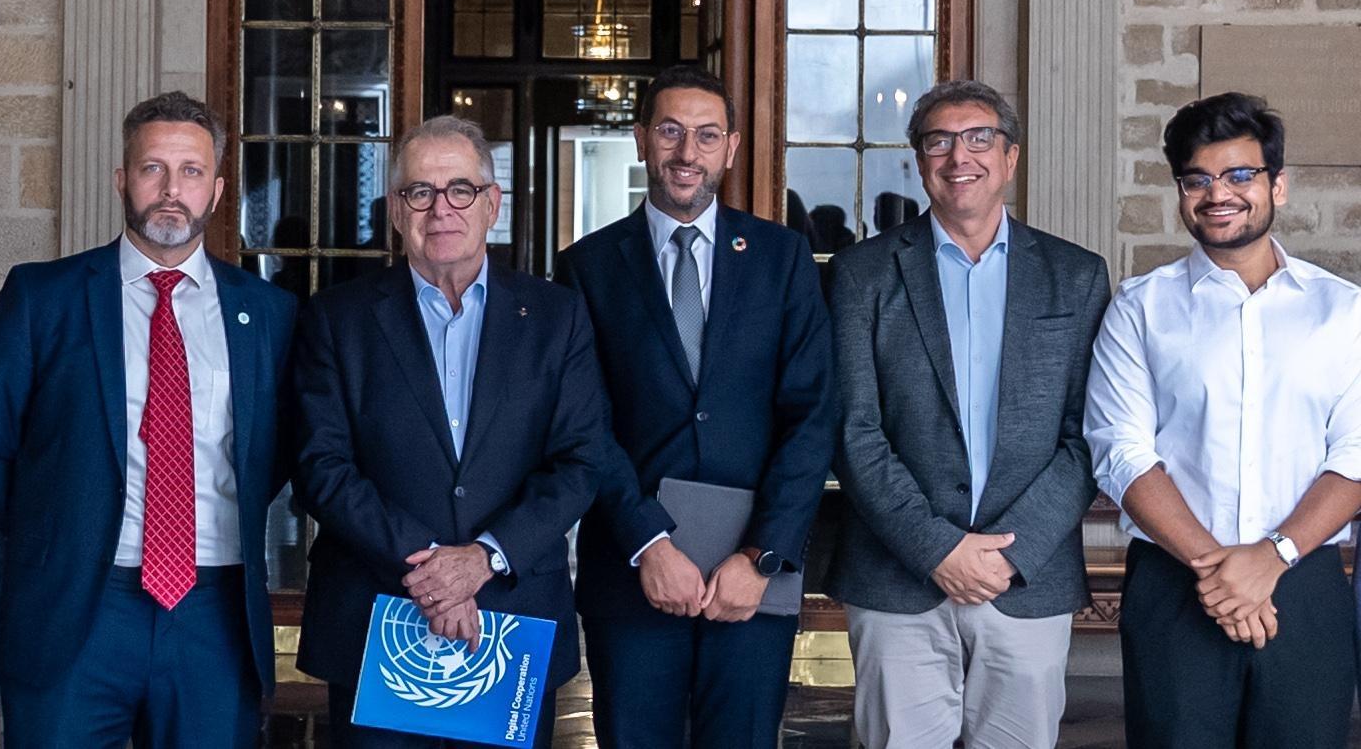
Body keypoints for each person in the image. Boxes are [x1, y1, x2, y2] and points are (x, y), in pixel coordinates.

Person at [292, 114, 608, 748]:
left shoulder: (556, 316)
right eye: (419, 192)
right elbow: (320, 466)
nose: (441, 209)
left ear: (492, 204)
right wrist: (434, 571)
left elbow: (583, 459)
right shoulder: (337, 318)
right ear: (395, 209)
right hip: (375, 620)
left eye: (460, 189)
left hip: (512, 621)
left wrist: (483, 558)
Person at [0, 92, 297, 747]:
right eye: (152, 168)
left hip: (213, 612)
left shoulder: (269, 314)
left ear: (216, 190)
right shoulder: (41, 298)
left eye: (190, 170)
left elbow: (276, 453)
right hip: (77, 606)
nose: (170, 188)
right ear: (121, 179)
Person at [554, 65, 835, 749]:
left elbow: (813, 411)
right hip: (632, 571)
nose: (687, 153)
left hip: (750, 575)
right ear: (642, 137)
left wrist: (763, 553)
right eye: (672, 132)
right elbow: (582, 423)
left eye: (706, 136)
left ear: (731, 148)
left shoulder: (782, 257)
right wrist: (649, 541)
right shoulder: (586, 265)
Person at [827, 79, 1108, 749]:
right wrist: (938, 547)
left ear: (1011, 157)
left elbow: (1089, 434)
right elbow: (853, 430)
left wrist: (1006, 556)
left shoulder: (1077, 275)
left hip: (1026, 576)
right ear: (918, 161)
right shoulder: (861, 274)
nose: (961, 156)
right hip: (898, 577)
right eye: (940, 141)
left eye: (980, 137)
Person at [1084, 91, 1361, 749]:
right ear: (1181, 192)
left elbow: (1355, 451)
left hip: (1306, 587)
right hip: (1175, 587)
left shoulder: (1344, 311)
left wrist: (1273, 556)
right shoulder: (1139, 308)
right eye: (1198, 179)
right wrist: (1221, 571)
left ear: (1278, 185)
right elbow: (1121, 450)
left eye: (1240, 175)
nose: (1219, 193)